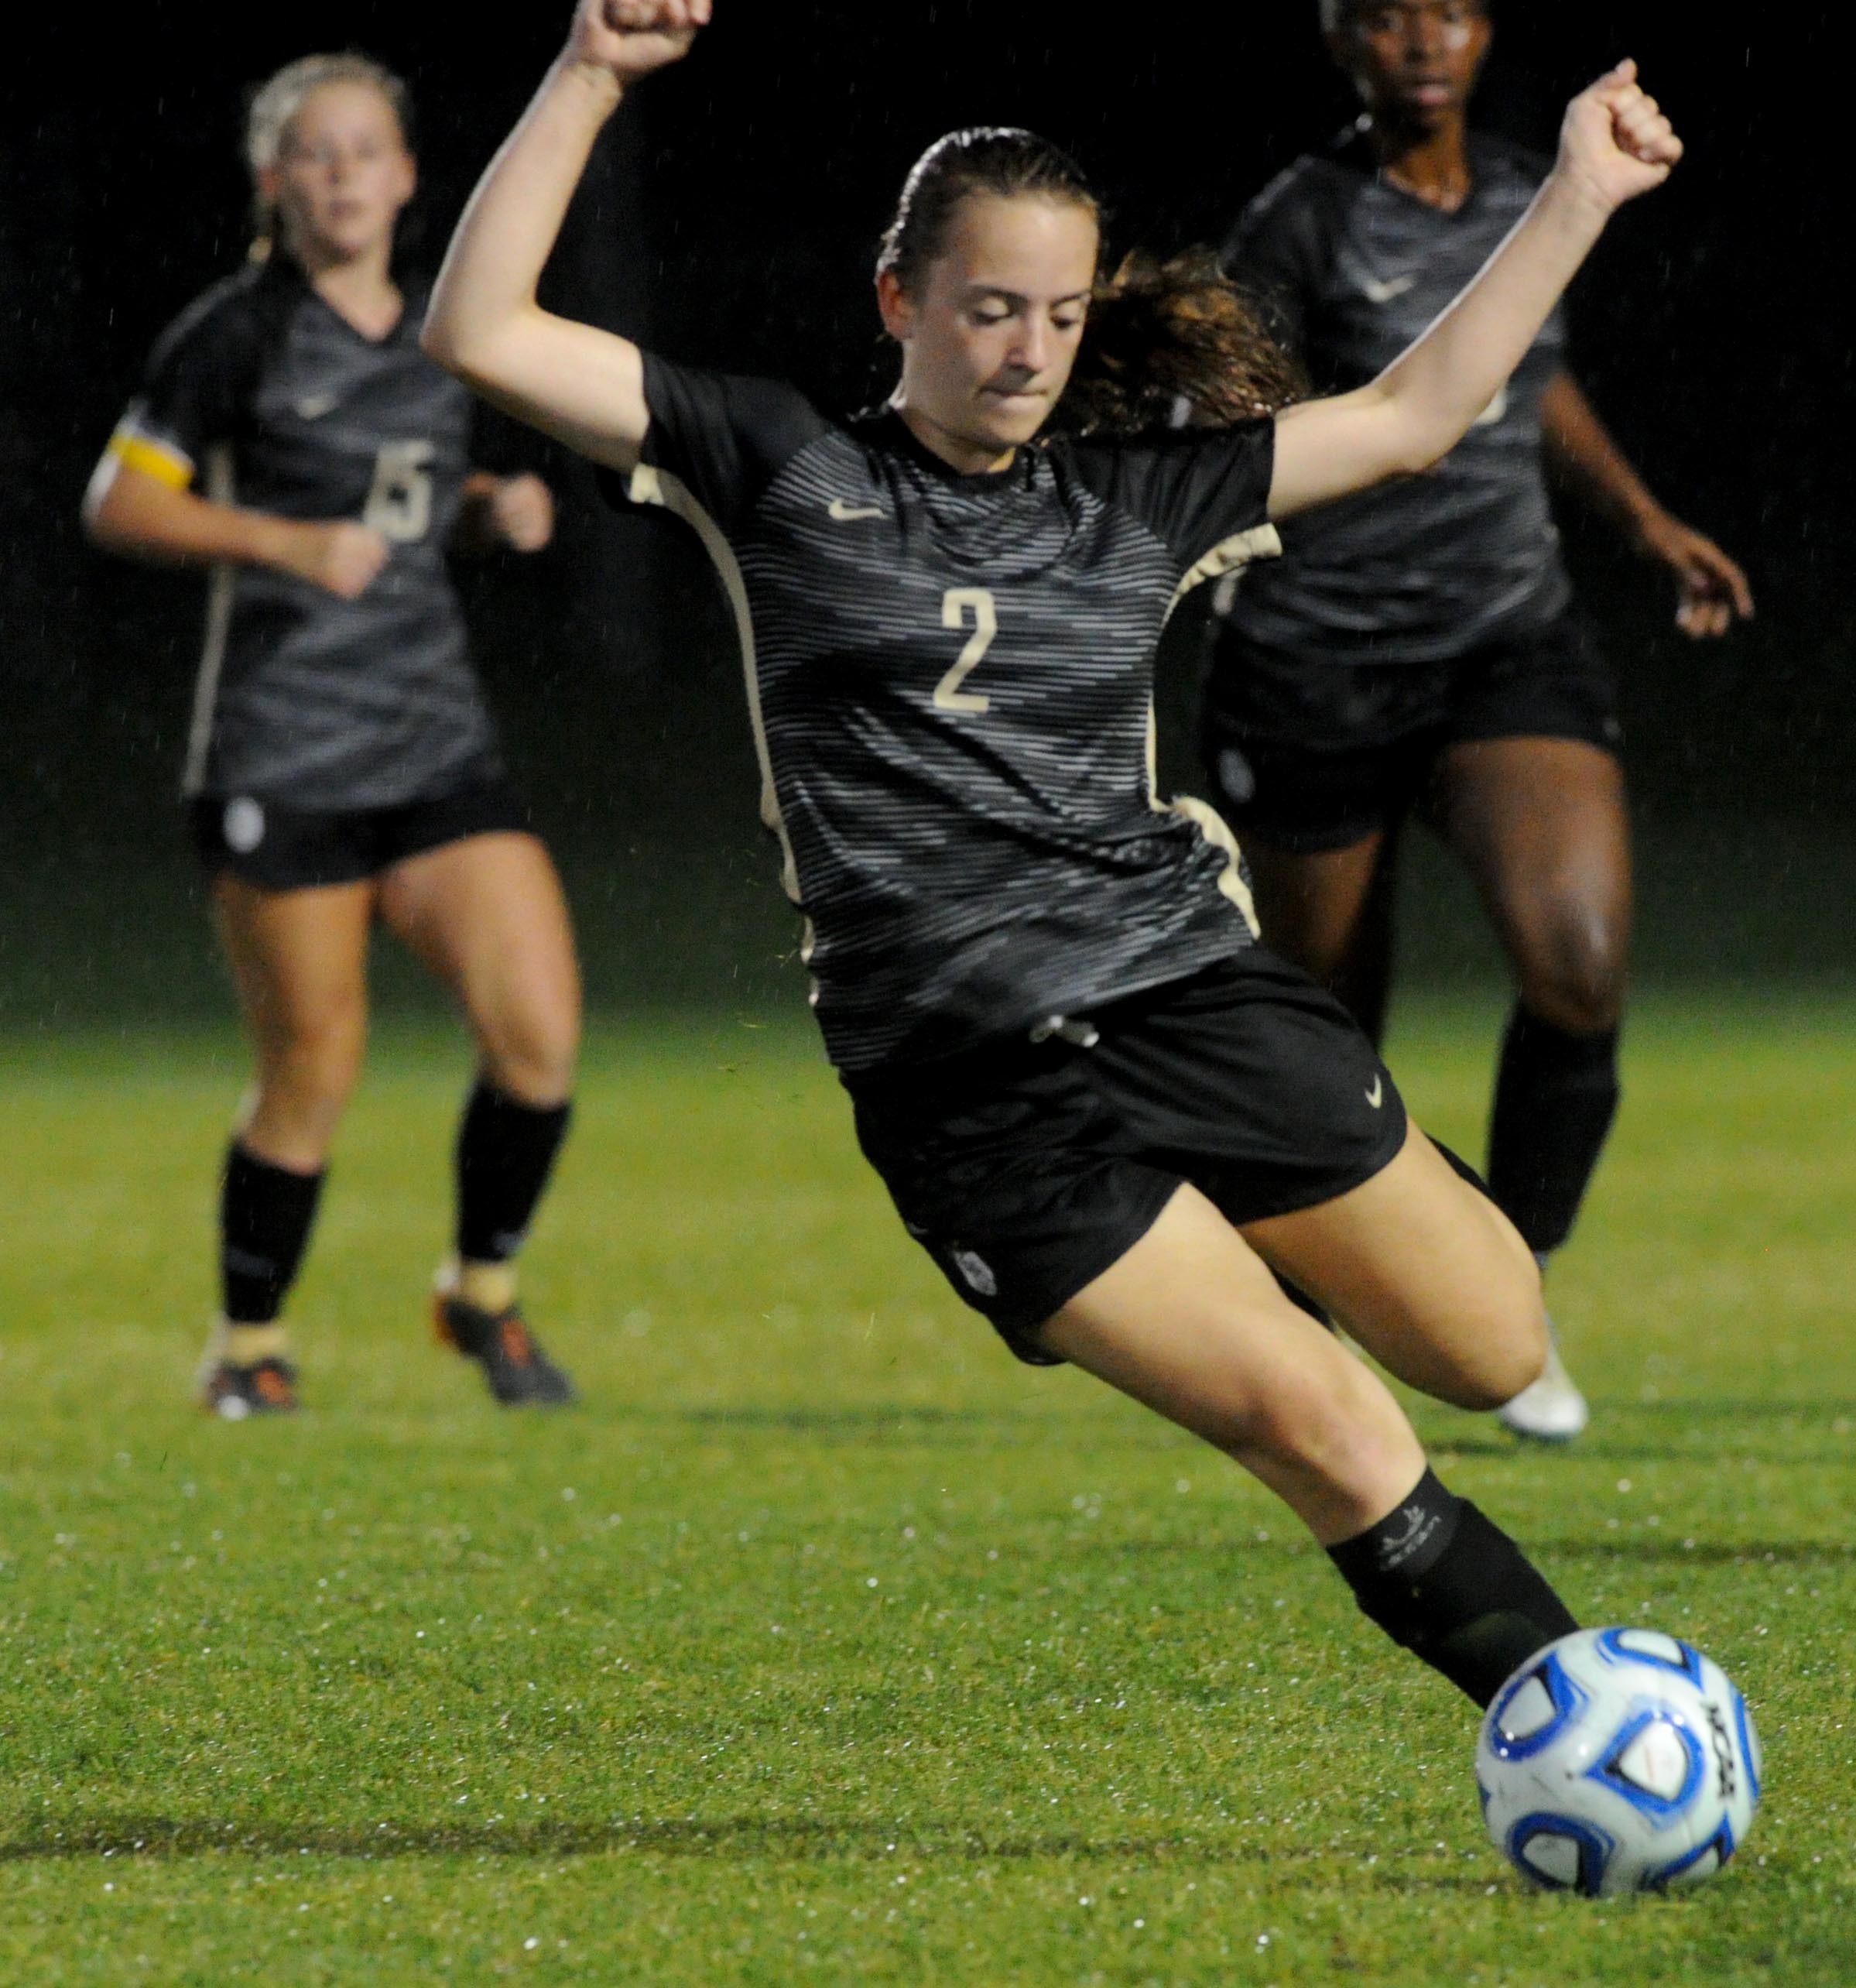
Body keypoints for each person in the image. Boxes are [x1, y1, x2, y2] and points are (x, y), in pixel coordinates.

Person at [421, 0, 1683, 1711]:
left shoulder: (1133, 497)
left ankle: (1257, 1224)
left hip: (1191, 1000)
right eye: (990, 308)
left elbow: (1404, 415)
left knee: (1495, 1343)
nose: (1026, 350)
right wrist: (583, 76)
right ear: (899, 301)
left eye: (1062, 315)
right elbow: (481, 325)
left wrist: (1578, 195)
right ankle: (1583, 1716)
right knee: (1319, 1427)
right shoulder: (776, 465)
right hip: (967, 1093)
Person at [1201, 0, 1754, 1440]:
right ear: (1339, 42)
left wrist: (1641, 520)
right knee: (1322, 1041)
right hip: (1313, 663)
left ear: (1484, 29)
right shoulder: (1299, 224)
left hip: (1503, 640)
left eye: (1445, 9)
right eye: (1385, 18)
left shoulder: (1524, 190)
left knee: (1577, 964)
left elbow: (1536, 367)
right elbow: (1230, 415)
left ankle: (1511, 1284)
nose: (1421, 40)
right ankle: (1321, 1333)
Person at [83, 53, 582, 1416]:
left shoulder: (444, 328)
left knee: (537, 1040)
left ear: (410, 176)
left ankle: (478, 1296)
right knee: (312, 1070)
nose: (345, 173)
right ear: (274, 183)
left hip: (434, 748)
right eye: (315, 152)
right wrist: (285, 539)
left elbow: (417, 490)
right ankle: (248, 1346)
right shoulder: (234, 335)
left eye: (367, 150)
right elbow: (120, 504)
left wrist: (492, 510)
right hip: (281, 757)